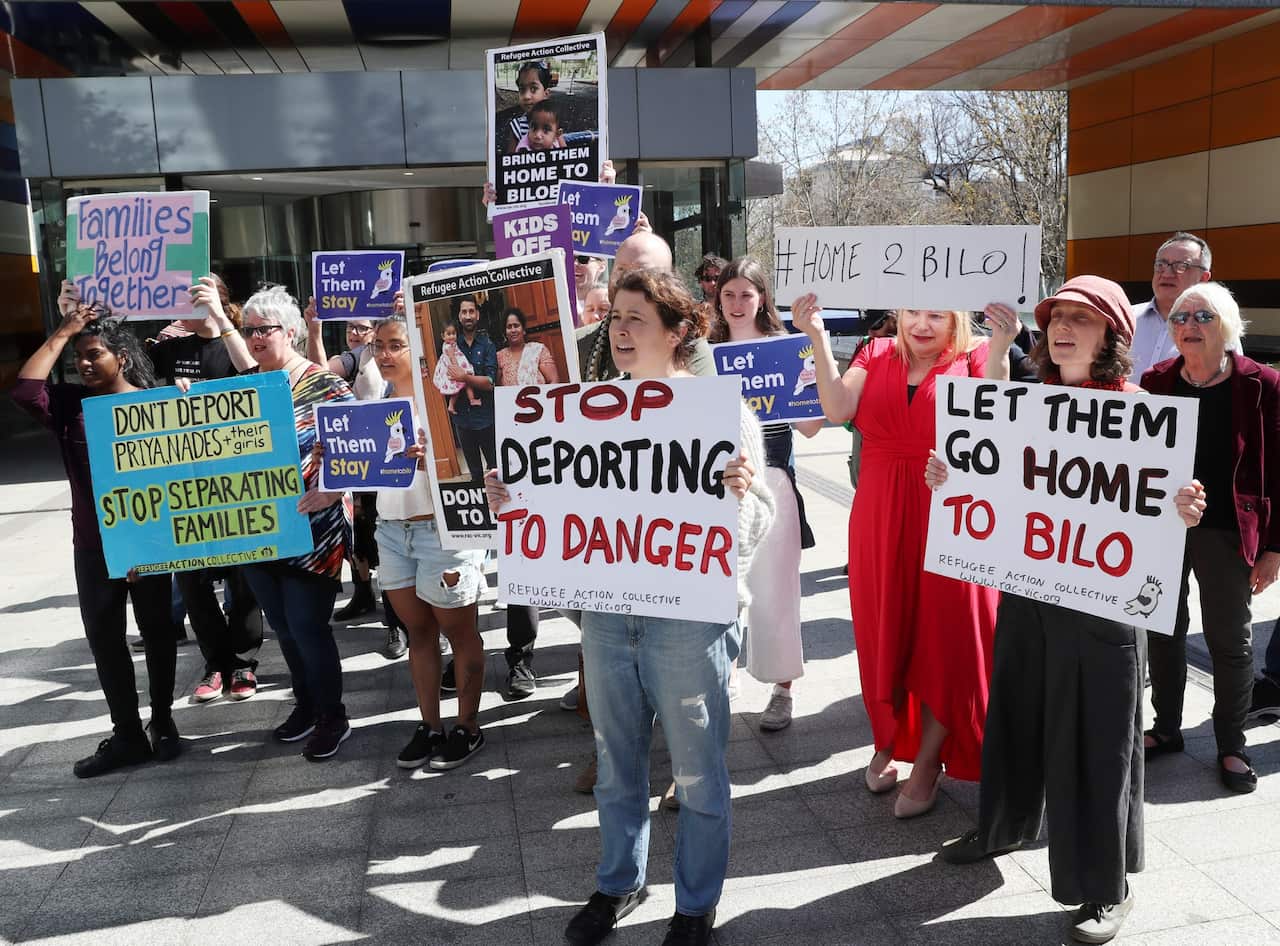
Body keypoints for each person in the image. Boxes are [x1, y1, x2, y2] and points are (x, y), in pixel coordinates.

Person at [485, 268, 774, 946]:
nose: (618, 329)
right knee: (616, 764)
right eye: (615, 316)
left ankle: (695, 906)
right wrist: (512, 503)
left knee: (697, 774)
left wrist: (740, 494)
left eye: (636, 318)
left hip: (690, 623)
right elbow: (561, 522)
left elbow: (757, 525)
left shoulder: (720, 413)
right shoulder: (581, 412)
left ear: (677, 332)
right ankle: (619, 882)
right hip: (609, 620)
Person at [932, 276, 1206, 945]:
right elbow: (986, 478)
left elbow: (1162, 504)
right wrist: (949, 475)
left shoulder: (1139, 410)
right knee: (1017, 713)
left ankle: (1106, 887)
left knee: (1099, 739)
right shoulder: (1023, 402)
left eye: (1081, 319)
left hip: (1104, 607)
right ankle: (1003, 826)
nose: (1062, 328)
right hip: (1029, 591)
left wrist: (1186, 508)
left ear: (1111, 335)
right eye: (1056, 316)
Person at [794, 297, 998, 818]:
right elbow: (838, 409)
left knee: (946, 639)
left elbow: (995, 420)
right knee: (886, 630)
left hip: (950, 514)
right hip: (880, 513)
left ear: (956, 317)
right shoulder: (876, 351)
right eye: (913, 312)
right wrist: (817, 336)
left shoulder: (976, 357)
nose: (922, 323)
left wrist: (1001, 344)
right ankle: (888, 739)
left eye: (937, 313)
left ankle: (928, 761)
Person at [13, 282, 179, 777]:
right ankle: (127, 734)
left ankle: (163, 722)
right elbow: (25, 390)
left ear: (122, 358)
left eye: (94, 355)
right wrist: (65, 330)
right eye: (78, 358)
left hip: (149, 545)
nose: (83, 364)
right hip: (93, 548)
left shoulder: (157, 404)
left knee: (158, 634)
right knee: (105, 642)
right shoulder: (70, 405)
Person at [199, 279, 357, 761]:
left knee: (308, 627)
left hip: (315, 530)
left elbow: (360, 450)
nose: (254, 338)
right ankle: (306, 705)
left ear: (290, 331)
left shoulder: (326, 384)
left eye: (263, 329)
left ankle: (333, 716)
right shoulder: (248, 387)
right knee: (284, 629)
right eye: (248, 330)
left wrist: (332, 489)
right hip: (260, 529)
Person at [1140, 281, 1279, 794]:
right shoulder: (1155, 381)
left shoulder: (1262, 384)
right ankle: (1166, 728)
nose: (1189, 326)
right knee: (1162, 628)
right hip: (1163, 528)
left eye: (1203, 317)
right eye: (1180, 318)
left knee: (1230, 640)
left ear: (1228, 325)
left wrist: (1274, 549)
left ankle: (1231, 744)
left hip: (1228, 531)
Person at [369, 316, 489, 770]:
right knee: (418, 634)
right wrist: (334, 460)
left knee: (459, 632)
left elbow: (471, 461)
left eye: (394, 345)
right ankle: (431, 726)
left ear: (416, 348)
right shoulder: (373, 404)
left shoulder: (441, 401)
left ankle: (468, 727)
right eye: (378, 345)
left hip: (443, 531)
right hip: (391, 530)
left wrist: (432, 463)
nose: (383, 354)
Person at [709, 257, 820, 732]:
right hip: (718, 485)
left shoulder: (786, 349)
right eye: (728, 294)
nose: (736, 303)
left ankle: (782, 689)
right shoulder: (703, 354)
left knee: (777, 593)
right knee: (719, 591)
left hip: (773, 479)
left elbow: (812, 426)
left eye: (746, 294)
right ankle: (724, 673)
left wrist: (808, 369)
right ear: (718, 298)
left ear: (762, 299)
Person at [151, 272, 262, 702]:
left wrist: (220, 318)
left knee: (243, 576)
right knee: (193, 580)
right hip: (186, 482)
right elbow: (135, 387)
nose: (186, 302)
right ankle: (216, 662)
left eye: (196, 295)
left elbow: (254, 375)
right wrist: (168, 394)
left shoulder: (236, 341)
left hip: (237, 481)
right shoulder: (170, 349)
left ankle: (244, 662)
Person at [1130, 232, 1213, 378]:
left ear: (1203, 278)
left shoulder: (1218, 328)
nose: (1167, 274)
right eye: (1161, 265)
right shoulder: (1125, 318)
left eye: (1181, 266)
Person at [496, 307, 560, 385]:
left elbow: (554, 380)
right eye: (509, 327)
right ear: (505, 333)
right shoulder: (500, 357)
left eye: (516, 326)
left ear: (523, 330)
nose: (513, 330)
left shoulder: (538, 350)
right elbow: (497, 387)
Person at [502, 60, 554, 155]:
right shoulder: (517, 127)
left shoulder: (554, 123)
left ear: (546, 94)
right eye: (522, 89)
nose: (526, 96)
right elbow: (510, 159)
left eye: (533, 89)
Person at [433, 322, 480, 414]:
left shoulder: (449, 345)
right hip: (456, 368)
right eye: (449, 334)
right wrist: (459, 370)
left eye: (453, 333)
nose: (452, 336)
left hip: (456, 367)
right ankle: (469, 400)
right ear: (443, 336)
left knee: (464, 384)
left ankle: (465, 401)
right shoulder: (449, 347)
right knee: (462, 385)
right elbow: (452, 358)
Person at [575, 255, 606, 321]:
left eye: (583, 259)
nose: (574, 264)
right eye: (568, 258)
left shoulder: (613, 301)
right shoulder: (555, 301)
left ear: (601, 266)